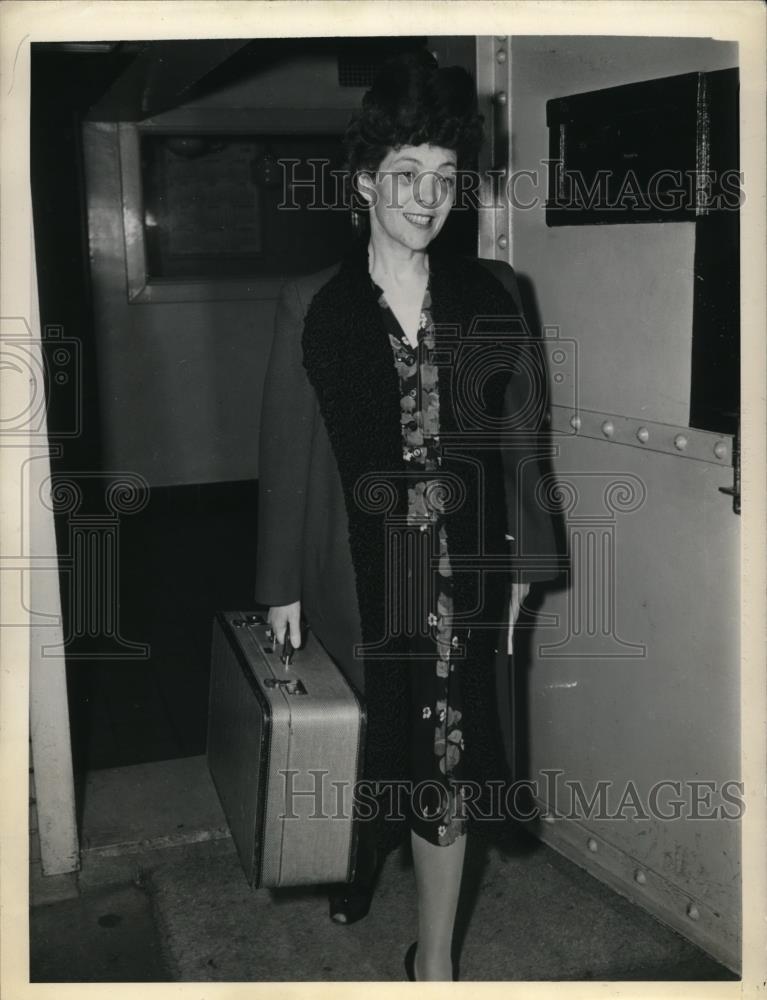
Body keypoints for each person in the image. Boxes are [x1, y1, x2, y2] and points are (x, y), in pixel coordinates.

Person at [254, 50, 558, 982]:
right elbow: (286, 458)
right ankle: (358, 865)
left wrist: (520, 571)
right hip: (358, 579)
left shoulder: (497, 295)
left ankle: (434, 964)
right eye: (404, 177)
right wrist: (278, 592)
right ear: (362, 184)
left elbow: (520, 449)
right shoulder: (313, 305)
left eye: (444, 179)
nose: (427, 200)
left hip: (459, 586)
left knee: (447, 766)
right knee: (362, 763)